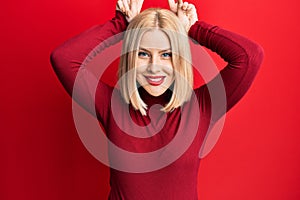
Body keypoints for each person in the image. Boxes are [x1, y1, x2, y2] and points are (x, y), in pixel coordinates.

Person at [50, 0, 264, 199]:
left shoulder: (200, 107)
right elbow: (64, 58)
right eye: (143, 54)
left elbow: (249, 57)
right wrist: (121, 24)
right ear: (131, 56)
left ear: (179, 59)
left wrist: (193, 28)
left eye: (166, 54)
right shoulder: (111, 104)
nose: (154, 66)